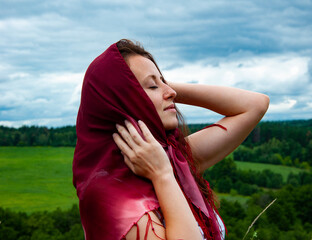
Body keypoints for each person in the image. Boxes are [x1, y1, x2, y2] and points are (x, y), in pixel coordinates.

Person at [73, 39, 269, 240]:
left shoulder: (175, 159)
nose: (172, 93)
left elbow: (256, 104)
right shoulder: (107, 195)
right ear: (122, 100)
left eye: (164, 82)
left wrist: (160, 85)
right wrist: (162, 176)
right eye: (151, 86)